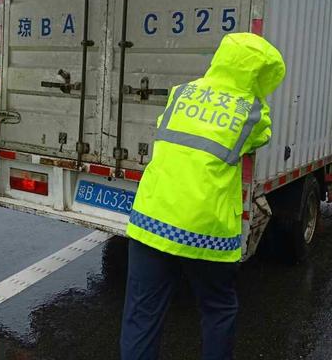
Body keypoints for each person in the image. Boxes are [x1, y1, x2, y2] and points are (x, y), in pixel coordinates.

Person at [120, 32, 286, 360]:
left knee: (141, 315)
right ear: (258, 73)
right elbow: (262, 136)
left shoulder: (180, 93)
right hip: (204, 230)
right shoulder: (251, 111)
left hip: (151, 219)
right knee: (218, 309)